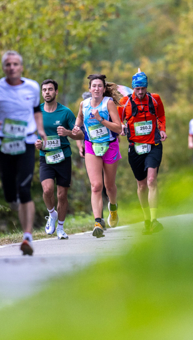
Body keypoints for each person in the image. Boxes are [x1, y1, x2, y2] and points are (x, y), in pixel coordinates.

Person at [0, 50, 46, 256]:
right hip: (4, 143)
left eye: (15, 64)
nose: (12, 67)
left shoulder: (32, 87)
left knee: (24, 188)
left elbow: (36, 110)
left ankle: (27, 236)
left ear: (21, 67)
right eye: (8, 64)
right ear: (3, 68)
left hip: (26, 141)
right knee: (9, 191)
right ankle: (15, 203)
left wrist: (40, 129)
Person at [72, 74, 123, 238]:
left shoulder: (108, 104)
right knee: (96, 186)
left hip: (110, 146)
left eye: (99, 86)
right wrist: (75, 130)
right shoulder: (83, 104)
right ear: (89, 89)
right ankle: (98, 221)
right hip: (92, 146)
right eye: (93, 86)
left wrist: (101, 119)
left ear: (103, 89)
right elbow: (79, 122)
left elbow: (118, 128)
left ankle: (113, 208)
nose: (96, 88)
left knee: (109, 185)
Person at [119, 69, 167, 235]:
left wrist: (162, 129)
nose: (140, 92)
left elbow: (161, 116)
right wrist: (121, 128)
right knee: (141, 185)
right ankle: (147, 220)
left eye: (143, 89)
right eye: (137, 89)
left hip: (154, 145)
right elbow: (117, 122)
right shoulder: (124, 102)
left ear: (147, 87)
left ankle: (154, 220)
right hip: (135, 148)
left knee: (151, 180)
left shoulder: (155, 99)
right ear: (133, 88)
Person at [36, 79, 82, 240]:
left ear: (56, 92)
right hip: (46, 157)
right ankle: (52, 214)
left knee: (62, 195)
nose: (47, 92)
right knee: (47, 190)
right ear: (42, 93)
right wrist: (36, 143)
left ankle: (61, 228)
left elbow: (81, 134)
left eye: (50, 89)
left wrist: (68, 133)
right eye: (44, 90)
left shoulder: (66, 112)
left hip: (63, 157)